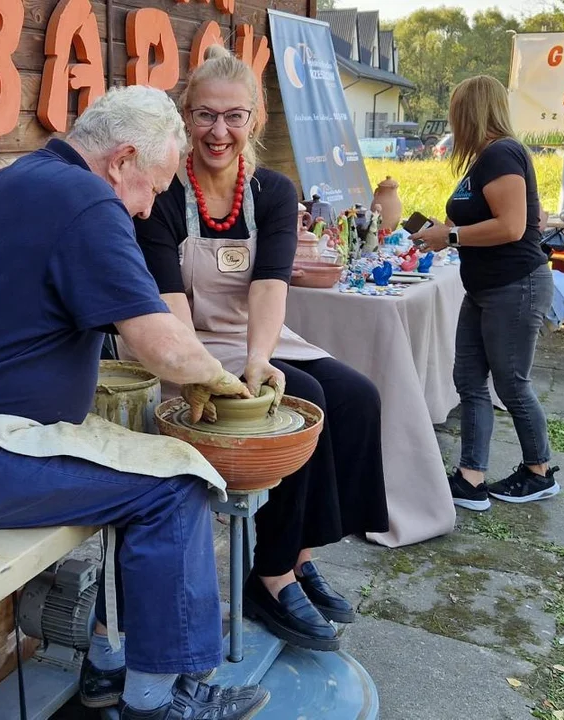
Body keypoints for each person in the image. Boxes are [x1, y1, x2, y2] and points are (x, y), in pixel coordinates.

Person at [0, 86, 269, 720]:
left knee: (135, 469)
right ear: (123, 159)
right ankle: (156, 704)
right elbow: (158, 340)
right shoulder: (84, 200)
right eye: (152, 190)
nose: (143, 210)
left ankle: (109, 668)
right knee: (173, 485)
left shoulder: (21, 179)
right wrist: (216, 378)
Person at [128, 44, 389, 653]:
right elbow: (167, 301)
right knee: (303, 399)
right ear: (185, 116)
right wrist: (204, 369)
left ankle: (295, 558)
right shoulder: (166, 194)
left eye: (234, 117)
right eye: (205, 116)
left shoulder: (272, 190)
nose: (219, 132)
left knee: (358, 398)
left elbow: (271, 284)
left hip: (257, 337)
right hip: (187, 345)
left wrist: (258, 357)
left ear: (255, 120)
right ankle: (267, 579)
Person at [411, 75, 559, 511]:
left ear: (470, 110)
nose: (453, 119)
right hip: (486, 288)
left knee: (511, 384)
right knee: (469, 381)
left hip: (514, 286)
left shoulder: (501, 153)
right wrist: (444, 231)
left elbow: (512, 227)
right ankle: (471, 477)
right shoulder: (487, 159)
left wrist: (451, 236)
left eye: (457, 109)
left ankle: (539, 470)